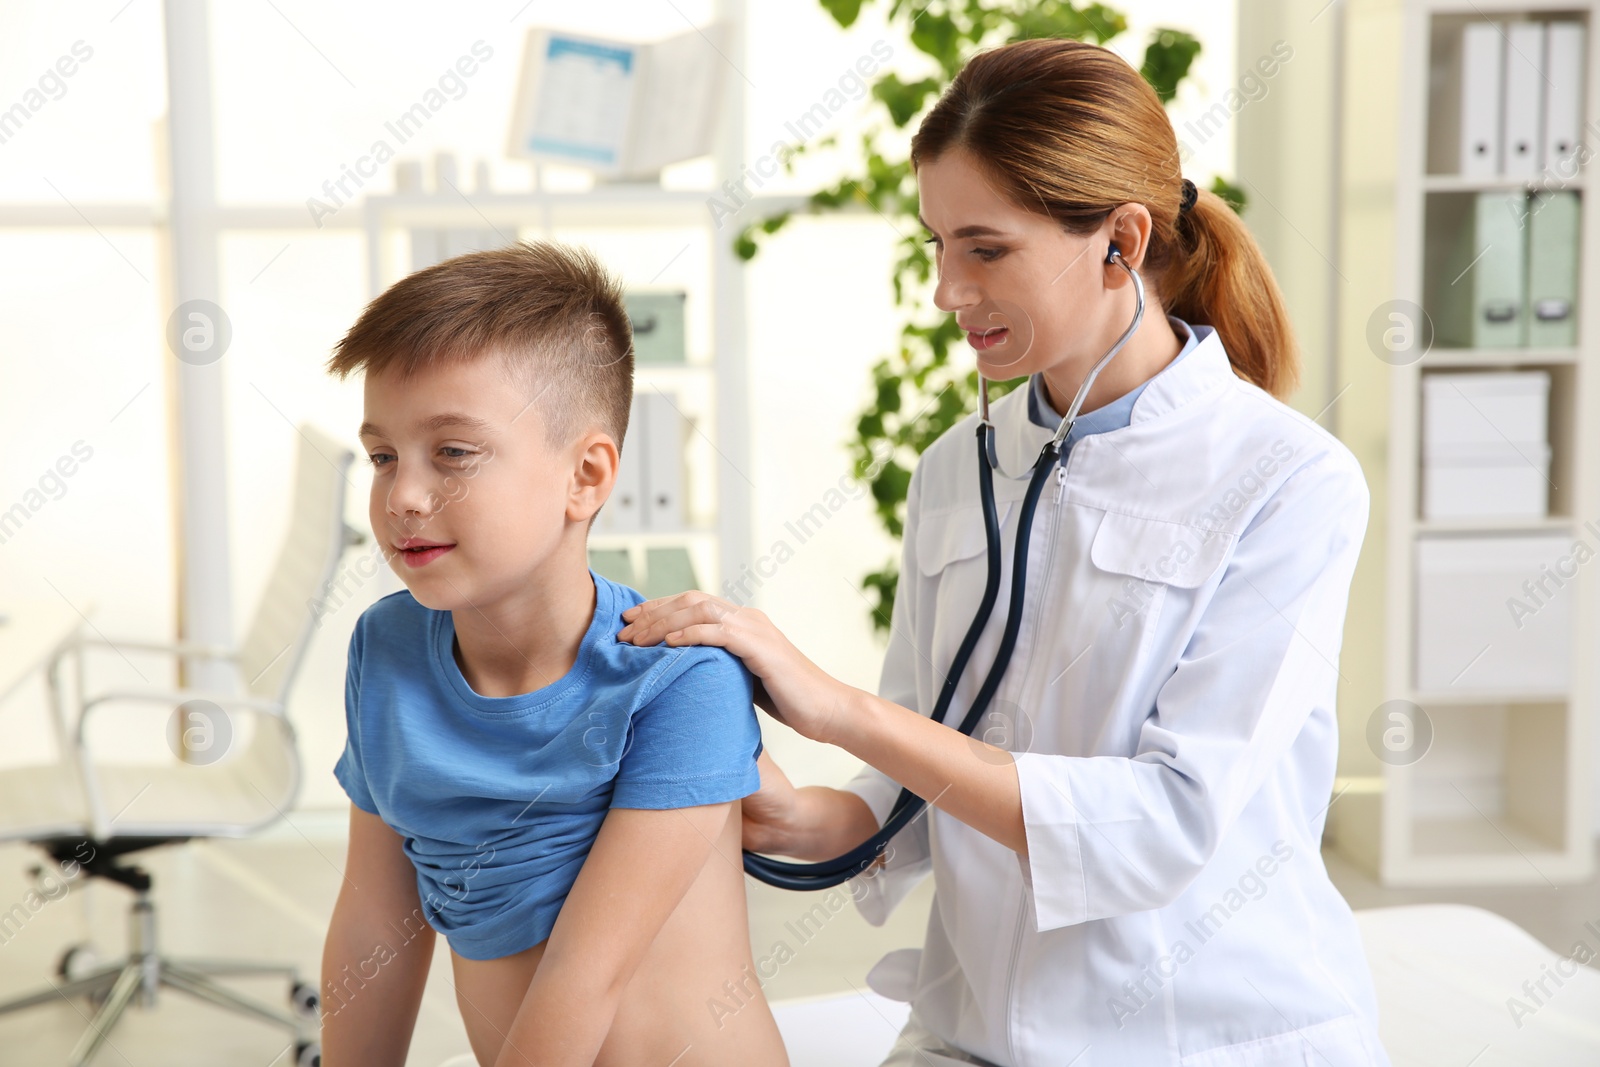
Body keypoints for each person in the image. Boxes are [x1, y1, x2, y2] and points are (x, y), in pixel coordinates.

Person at [618, 37, 1391, 1067]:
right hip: (970, 1029)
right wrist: (794, 807)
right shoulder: (958, 467)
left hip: (1202, 1035)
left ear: (1120, 239)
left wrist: (839, 701)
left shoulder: (1291, 480)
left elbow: (1164, 820)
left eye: (984, 249)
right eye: (938, 242)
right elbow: (929, 760)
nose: (946, 290)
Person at [317, 241, 787, 1066]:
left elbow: (583, 976)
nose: (404, 496)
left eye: (453, 453)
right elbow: (373, 923)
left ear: (587, 475)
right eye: (383, 456)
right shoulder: (386, 649)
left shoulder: (679, 678)